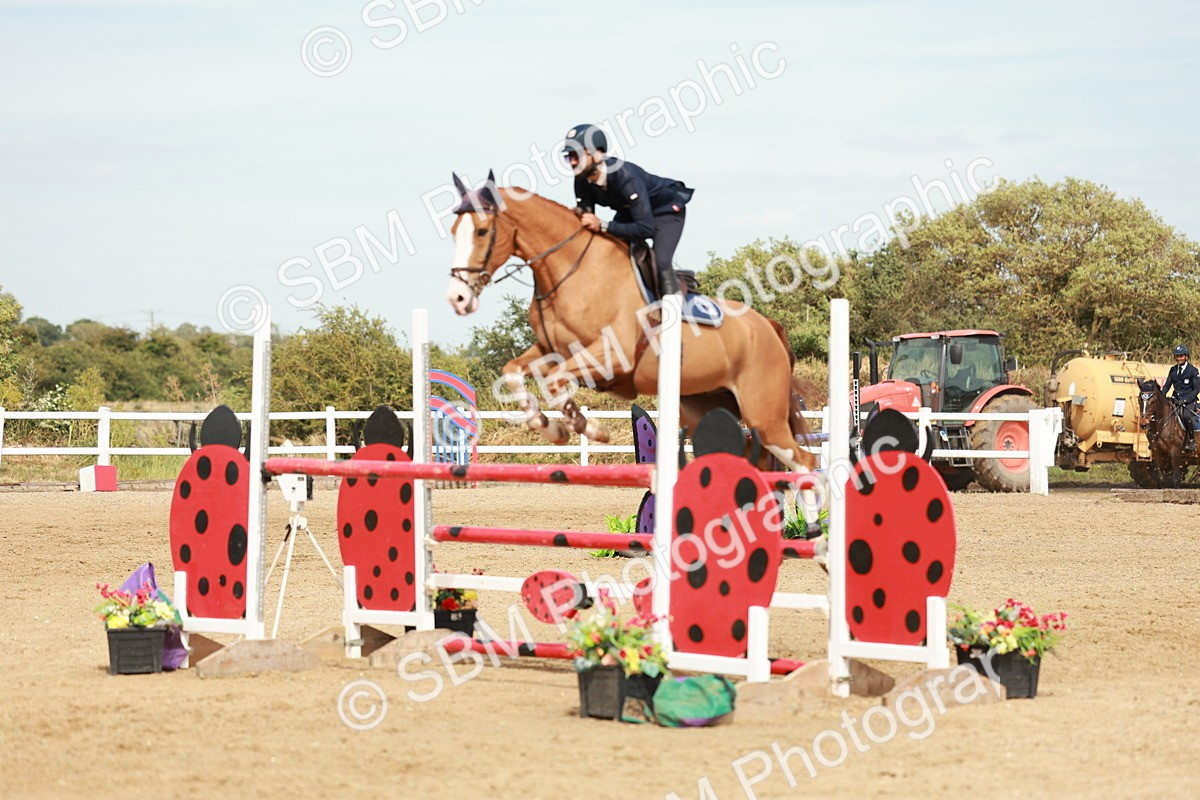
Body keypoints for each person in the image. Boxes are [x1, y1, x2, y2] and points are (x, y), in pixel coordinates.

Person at [561, 124, 695, 297]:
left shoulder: (626, 177)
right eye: (569, 157)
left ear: (598, 154)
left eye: (577, 156)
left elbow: (646, 229)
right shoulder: (581, 179)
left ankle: (673, 311)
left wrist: (603, 225)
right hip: (631, 212)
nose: (572, 162)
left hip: (665, 210)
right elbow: (587, 218)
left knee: (661, 262)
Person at [1161, 344, 1199, 451]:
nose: (1179, 358)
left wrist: (1186, 400)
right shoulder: (1173, 370)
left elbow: (1196, 389)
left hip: (1189, 400)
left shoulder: (1193, 370)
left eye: (1181, 356)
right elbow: (1167, 385)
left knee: (1186, 416)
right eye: (1177, 356)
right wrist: (1161, 395)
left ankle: (1191, 441)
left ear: (1186, 357)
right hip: (1175, 399)